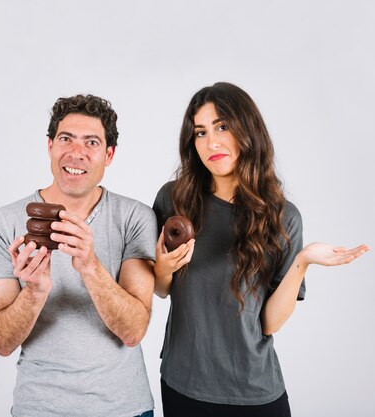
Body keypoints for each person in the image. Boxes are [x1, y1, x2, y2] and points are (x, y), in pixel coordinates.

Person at [152, 82, 369, 417]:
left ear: (246, 130)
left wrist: (303, 261)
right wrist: (165, 268)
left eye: (222, 126)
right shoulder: (173, 199)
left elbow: (268, 324)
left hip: (254, 391)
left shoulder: (284, 217)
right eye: (200, 132)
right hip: (184, 384)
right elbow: (162, 288)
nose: (212, 142)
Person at [0, 94, 156, 417]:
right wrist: (34, 292)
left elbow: (133, 331)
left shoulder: (136, 218)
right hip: (39, 409)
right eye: (66, 139)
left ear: (109, 154)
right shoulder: (4, 223)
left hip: (125, 409)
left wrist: (90, 267)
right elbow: (0, 342)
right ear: (50, 146)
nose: (76, 153)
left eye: (91, 142)